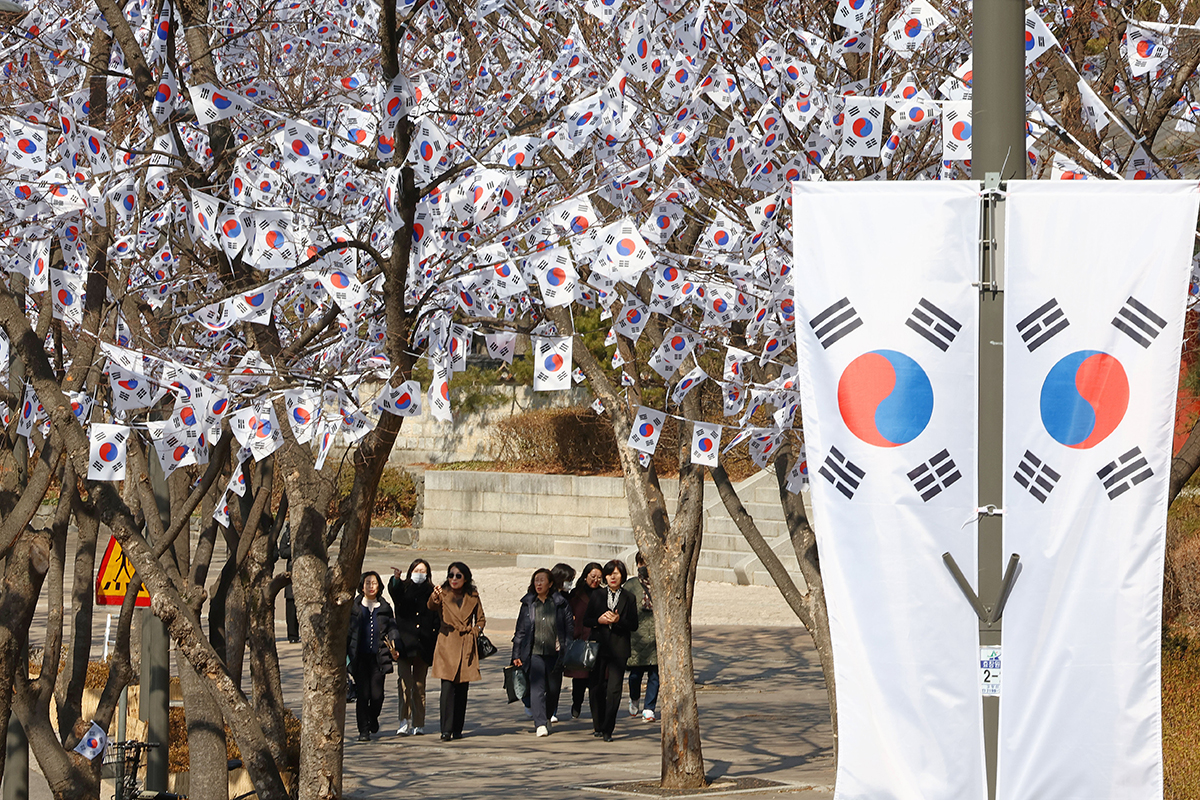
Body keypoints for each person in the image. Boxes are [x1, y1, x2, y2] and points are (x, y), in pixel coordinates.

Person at [511, 568, 573, 736]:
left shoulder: (560, 603)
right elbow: (520, 632)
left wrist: (567, 649)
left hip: (555, 653)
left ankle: (546, 716)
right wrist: (516, 654)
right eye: (536, 580)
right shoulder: (528, 604)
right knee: (537, 688)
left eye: (542, 580)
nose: (538, 583)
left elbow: (568, 629)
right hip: (534, 653)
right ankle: (539, 723)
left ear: (550, 583)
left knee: (553, 690)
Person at [428, 561, 486, 741]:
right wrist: (434, 596)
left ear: (466, 578)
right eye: (450, 575)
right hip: (447, 643)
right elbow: (431, 606)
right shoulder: (442, 594)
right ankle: (445, 729)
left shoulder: (473, 596)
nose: (453, 579)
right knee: (447, 688)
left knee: (462, 690)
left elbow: (481, 619)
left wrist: (475, 631)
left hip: (467, 644)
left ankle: (458, 728)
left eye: (458, 576)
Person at [584, 559, 638, 742]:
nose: (612, 577)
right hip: (598, 646)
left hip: (619, 649)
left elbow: (634, 624)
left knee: (614, 690)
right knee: (596, 686)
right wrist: (599, 621)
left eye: (616, 574)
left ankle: (609, 728)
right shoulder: (597, 595)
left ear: (622, 575)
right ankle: (597, 724)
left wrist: (618, 621)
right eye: (609, 574)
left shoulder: (629, 597)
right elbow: (587, 620)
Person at [347, 571, 400, 742]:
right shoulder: (354, 608)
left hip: (379, 657)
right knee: (363, 695)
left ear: (379, 586)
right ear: (361, 586)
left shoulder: (384, 608)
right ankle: (363, 730)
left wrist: (395, 643)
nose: (371, 586)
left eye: (374, 583)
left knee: (377, 695)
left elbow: (392, 629)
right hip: (359, 657)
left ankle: (373, 717)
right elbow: (347, 633)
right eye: (367, 583)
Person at [388, 558, 438, 735]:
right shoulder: (404, 588)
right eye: (416, 570)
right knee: (404, 683)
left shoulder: (432, 591)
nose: (419, 574)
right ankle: (403, 720)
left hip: (422, 646)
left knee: (419, 686)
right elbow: (394, 592)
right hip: (403, 645)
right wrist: (395, 579)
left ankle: (418, 722)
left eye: (423, 571)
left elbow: (437, 615)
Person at [566, 561, 603, 720]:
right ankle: (577, 703)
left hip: (598, 641)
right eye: (592, 576)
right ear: (586, 576)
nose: (595, 580)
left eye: (599, 577)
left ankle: (596, 711)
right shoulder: (576, 594)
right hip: (580, 639)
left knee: (597, 680)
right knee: (579, 678)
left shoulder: (603, 594)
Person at [624, 553, 659, 722]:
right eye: (642, 563)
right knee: (635, 675)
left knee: (655, 674)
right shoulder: (631, 585)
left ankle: (649, 707)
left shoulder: (661, 584)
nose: (645, 566)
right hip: (636, 637)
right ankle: (634, 697)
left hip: (657, 637)